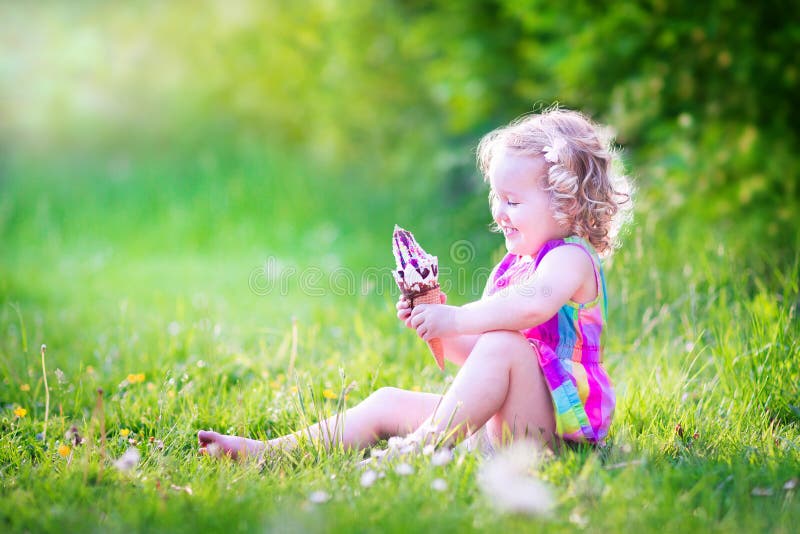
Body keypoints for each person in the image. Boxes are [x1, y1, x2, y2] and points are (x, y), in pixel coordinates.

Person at [198, 106, 632, 459]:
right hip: (503, 425)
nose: (500, 212)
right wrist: (434, 320)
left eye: (513, 201)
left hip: (553, 436)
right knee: (387, 400)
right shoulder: (512, 268)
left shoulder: (571, 260)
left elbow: (531, 309)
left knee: (506, 343)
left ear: (567, 204)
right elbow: (481, 363)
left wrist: (457, 316)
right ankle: (269, 452)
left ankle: (419, 451)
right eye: (496, 197)